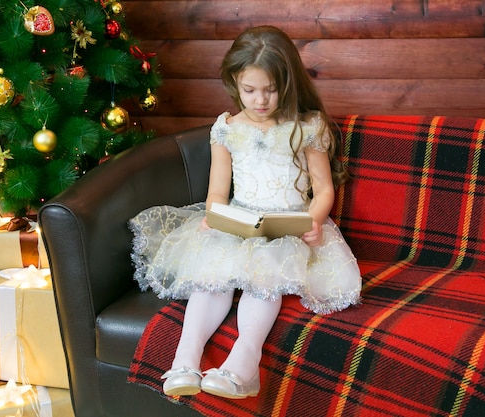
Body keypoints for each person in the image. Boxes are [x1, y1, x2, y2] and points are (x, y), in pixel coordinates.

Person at [129, 25, 362, 400]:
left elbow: (323, 189)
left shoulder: (307, 126)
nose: (260, 100)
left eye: (271, 90)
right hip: (239, 220)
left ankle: (243, 363)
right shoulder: (227, 129)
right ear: (233, 82)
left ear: (288, 83)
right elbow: (217, 192)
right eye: (249, 90)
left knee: (262, 278)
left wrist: (315, 221)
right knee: (212, 277)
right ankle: (184, 360)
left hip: (287, 227)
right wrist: (214, 216)